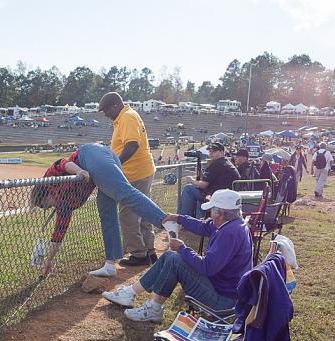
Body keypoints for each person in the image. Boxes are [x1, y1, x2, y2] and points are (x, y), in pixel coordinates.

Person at [102, 189, 253, 322]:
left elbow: (207, 268)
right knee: (171, 257)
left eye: (212, 210)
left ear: (221, 214)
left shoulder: (228, 233)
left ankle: (145, 303)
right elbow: (203, 226)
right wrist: (178, 217)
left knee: (174, 259)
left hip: (223, 301)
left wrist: (182, 248)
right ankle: (138, 298)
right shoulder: (234, 223)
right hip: (227, 292)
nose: (209, 214)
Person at [30, 143, 167, 277]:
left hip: (89, 154)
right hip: (101, 163)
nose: (50, 207)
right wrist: (49, 260)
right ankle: (110, 265)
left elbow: (62, 163)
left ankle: (165, 220)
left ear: (45, 192)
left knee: (124, 193)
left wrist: (79, 171)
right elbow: (58, 235)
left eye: (46, 204)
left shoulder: (49, 180)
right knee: (107, 214)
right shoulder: (63, 206)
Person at [98, 92, 157, 267]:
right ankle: (149, 251)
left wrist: (114, 165)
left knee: (127, 215)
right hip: (139, 172)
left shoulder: (127, 117)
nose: (105, 114)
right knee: (144, 212)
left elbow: (132, 145)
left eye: (106, 110)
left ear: (116, 105)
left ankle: (139, 254)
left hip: (136, 173)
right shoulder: (124, 117)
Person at [178, 142, 240, 218]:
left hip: (217, 195)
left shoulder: (217, 164)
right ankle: (194, 218)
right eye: (210, 151)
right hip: (225, 193)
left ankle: (182, 219)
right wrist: (201, 174)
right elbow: (211, 180)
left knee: (188, 188)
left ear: (221, 152)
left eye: (214, 151)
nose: (211, 153)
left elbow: (203, 185)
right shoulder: (225, 162)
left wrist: (192, 180)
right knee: (197, 193)